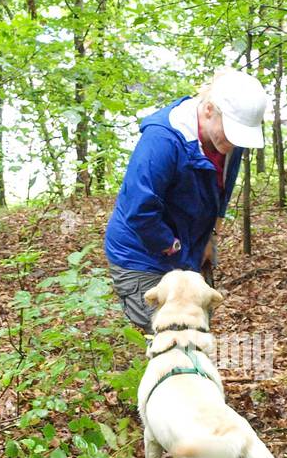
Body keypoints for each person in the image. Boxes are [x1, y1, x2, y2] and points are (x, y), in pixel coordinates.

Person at [104, 67, 268, 331]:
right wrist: (175, 247)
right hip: (142, 254)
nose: (233, 144)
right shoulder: (162, 141)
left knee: (197, 331)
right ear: (208, 110)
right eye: (231, 132)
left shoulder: (228, 142)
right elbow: (140, 210)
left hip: (189, 246)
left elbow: (221, 188)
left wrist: (209, 236)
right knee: (171, 338)